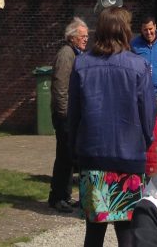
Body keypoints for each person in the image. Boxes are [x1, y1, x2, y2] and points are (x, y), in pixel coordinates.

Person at [69, 6, 156, 247]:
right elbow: (148, 115)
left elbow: (73, 115)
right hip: (128, 157)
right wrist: (143, 142)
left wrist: (75, 149)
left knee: (94, 231)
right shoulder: (138, 66)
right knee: (127, 231)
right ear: (125, 31)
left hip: (93, 156)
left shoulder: (81, 65)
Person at [49, 16, 89, 212]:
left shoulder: (76, 54)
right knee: (64, 156)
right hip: (65, 115)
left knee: (70, 156)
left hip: (71, 114)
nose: (86, 39)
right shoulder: (66, 55)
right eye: (82, 36)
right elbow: (60, 86)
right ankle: (57, 197)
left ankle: (65, 195)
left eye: (87, 36)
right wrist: (65, 114)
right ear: (72, 37)